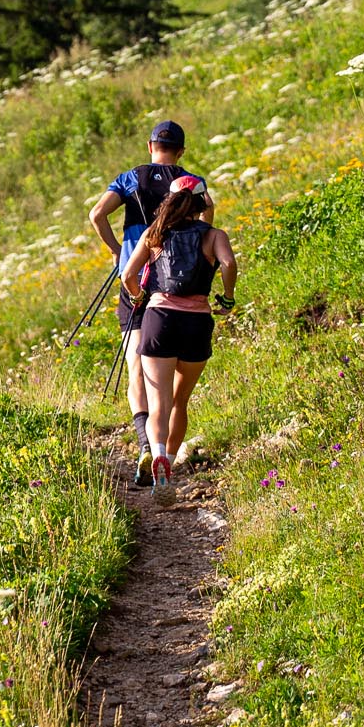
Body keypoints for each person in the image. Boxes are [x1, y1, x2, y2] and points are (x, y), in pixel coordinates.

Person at [88, 120, 210, 486]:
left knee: (136, 365)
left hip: (135, 276)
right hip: (176, 284)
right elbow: (208, 222)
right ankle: (166, 450)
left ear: (149, 145)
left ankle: (146, 445)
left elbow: (97, 214)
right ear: (181, 151)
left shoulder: (130, 178)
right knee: (171, 372)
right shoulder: (189, 183)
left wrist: (117, 252)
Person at [130, 177, 236, 504]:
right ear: (203, 204)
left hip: (160, 320)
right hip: (196, 322)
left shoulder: (154, 235)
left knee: (158, 402)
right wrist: (228, 299)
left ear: (170, 202)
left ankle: (157, 452)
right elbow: (229, 263)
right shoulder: (214, 235)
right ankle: (171, 463)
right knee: (180, 400)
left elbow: (127, 276)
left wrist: (138, 297)